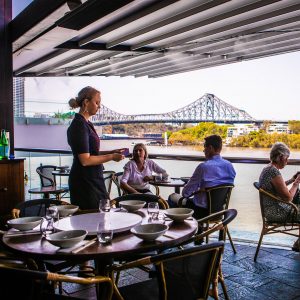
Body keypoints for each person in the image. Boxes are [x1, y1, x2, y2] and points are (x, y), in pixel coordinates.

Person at [67, 86, 125, 210]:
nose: (99, 106)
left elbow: (90, 152)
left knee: (100, 218)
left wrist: (111, 151)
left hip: (93, 178)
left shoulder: (86, 124)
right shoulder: (79, 125)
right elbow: (85, 160)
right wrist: (111, 157)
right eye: (97, 102)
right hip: (85, 182)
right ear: (86, 103)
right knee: (93, 220)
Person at [168, 134, 236, 219]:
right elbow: (221, 186)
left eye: (205, 147)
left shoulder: (203, 167)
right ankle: (199, 230)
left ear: (210, 148)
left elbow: (185, 193)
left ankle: (180, 229)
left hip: (200, 212)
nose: (204, 151)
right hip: (220, 211)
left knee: (172, 197)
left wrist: (197, 188)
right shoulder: (229, 166)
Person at [258, 142, 300, 252]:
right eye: (287, 158)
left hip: (273, 208)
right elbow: (288, 198)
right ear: (281, 157)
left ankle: (299, 243)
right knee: (297, 196)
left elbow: (276, 189)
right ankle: (298, 243)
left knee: (298, 195)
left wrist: (292, 179)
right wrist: (296, 183)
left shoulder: (268, 168)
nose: (288, 161)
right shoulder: (273, 171)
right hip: (276, 212)